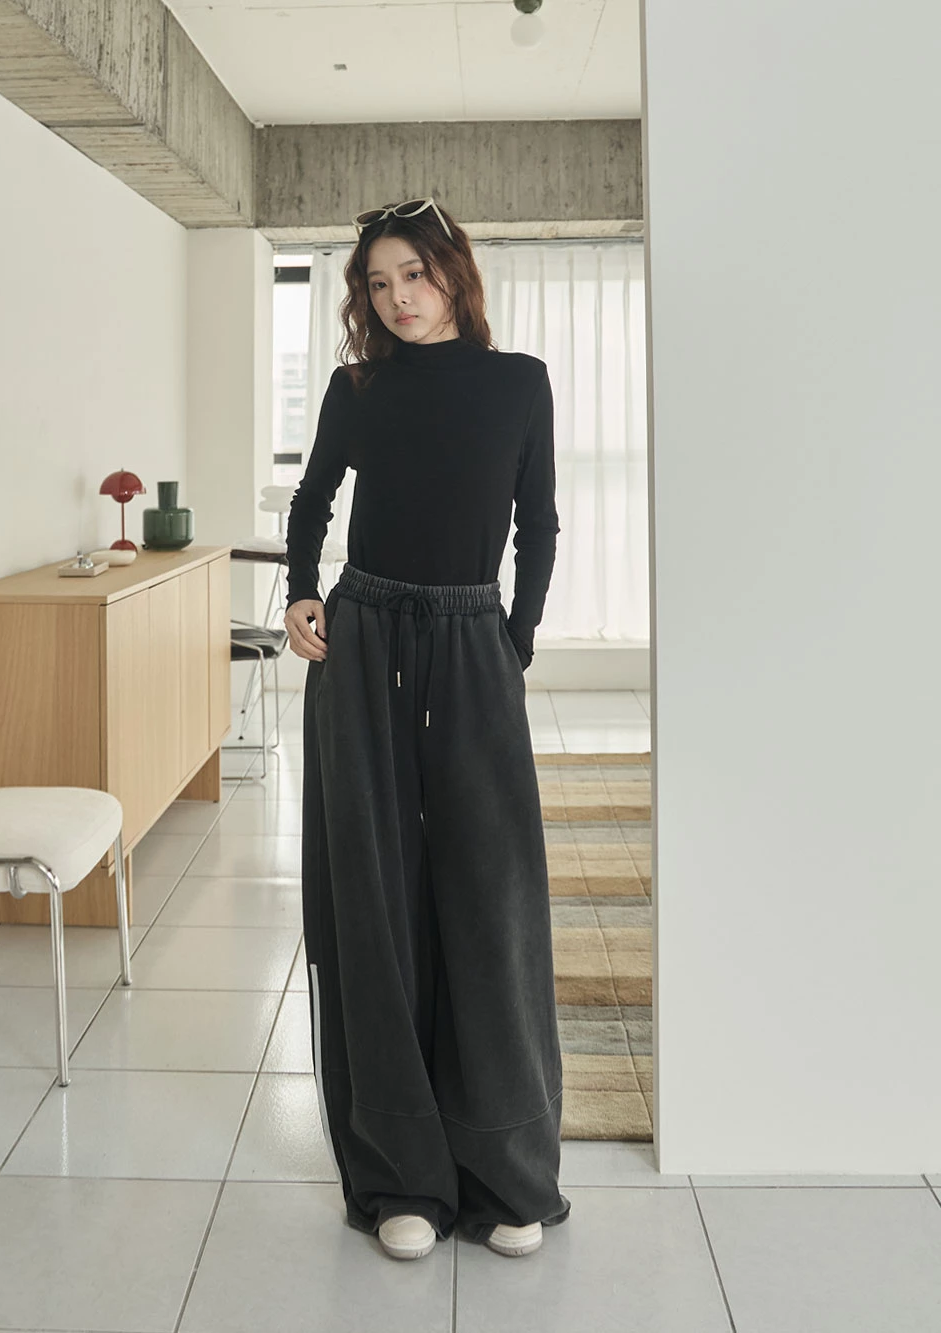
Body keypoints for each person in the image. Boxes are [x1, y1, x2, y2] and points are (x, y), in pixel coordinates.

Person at [283, 196, 570, 1262]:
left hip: (470, 637)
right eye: (378, 282)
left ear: (453, 271)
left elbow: (537, 521)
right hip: (362, 639)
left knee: (489, 893)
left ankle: (502, 1169)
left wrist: (514, 640)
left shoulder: (519, 383)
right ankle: (400, 1172)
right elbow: (312, 500)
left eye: (413, 274)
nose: (397, 298)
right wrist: (301, 591)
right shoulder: (358, 389)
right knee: (374, 893)